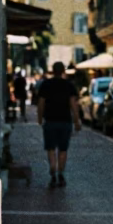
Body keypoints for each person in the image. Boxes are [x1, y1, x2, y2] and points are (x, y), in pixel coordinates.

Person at [37, 60, 81, 188]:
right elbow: (73, 104)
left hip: (50, 121)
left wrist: (40, 118)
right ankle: (61, 173)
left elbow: (41, 103)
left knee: (50, 148)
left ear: (53, 71)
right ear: (63, 71)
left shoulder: (46, 84)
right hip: (65, 121)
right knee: (63, 149)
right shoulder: (69, 85)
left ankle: (53, 169)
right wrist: (76, 120)